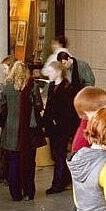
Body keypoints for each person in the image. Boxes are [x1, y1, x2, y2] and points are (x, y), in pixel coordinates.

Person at [0, 61, 42, 202]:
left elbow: (2, 108)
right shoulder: (32, 86)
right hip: (28, 131)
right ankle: (29, 192)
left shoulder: (6, 87)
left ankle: (15, 193)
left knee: (13, 161)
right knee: (29, 162)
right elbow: (38, 105)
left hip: (11, 130)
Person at [42, 59, 81, 195]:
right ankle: (62, 180)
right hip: (54, 127)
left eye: (51, 72)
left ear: (58, 72)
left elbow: (69, 110)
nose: (49, 74)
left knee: (59, 155)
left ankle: (57, 183)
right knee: (56, 154)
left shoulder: (67, 88)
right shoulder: (53, 86)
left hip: (62, 127)